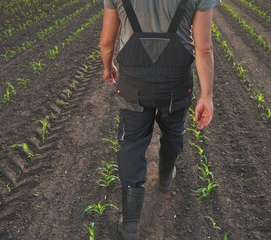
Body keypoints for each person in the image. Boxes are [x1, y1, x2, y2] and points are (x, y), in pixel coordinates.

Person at [100, 0, 220, 239]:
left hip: (134, 84)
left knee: (132, 145)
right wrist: (207, 96)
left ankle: (131, 224)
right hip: (175, 85)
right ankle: (165, 178)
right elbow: (203, 49)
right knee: (173, 132)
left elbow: (106, 41)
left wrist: (108, 67)